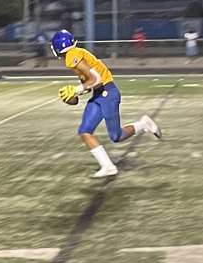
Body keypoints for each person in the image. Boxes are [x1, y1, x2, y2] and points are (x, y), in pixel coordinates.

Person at [52, 30, 160, 178]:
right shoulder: (75, 54)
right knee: (85, 131)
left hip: (107, 93)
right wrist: (74, 95)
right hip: (100, 94)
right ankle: (108, 166)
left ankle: (143, 124)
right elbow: (89, 84)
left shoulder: (72, 56)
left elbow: (97, 80)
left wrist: (76, 89)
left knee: (117, 136)